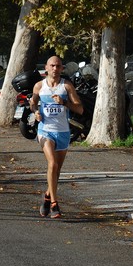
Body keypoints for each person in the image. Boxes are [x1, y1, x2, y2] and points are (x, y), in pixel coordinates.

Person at [29, 55, 83, 218]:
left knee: (56, 170)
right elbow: (33, 103)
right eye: (52, 65)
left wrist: (64, 103)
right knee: (52, 163)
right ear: (46, 67)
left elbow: (80, 109)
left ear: (62, 69)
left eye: (58, 66)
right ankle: (54, 204)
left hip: (63, 132)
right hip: (45, 131)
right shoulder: (39, 86)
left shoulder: (66, 86)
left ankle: (47, 197)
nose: (55, 68)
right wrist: (36, 112)